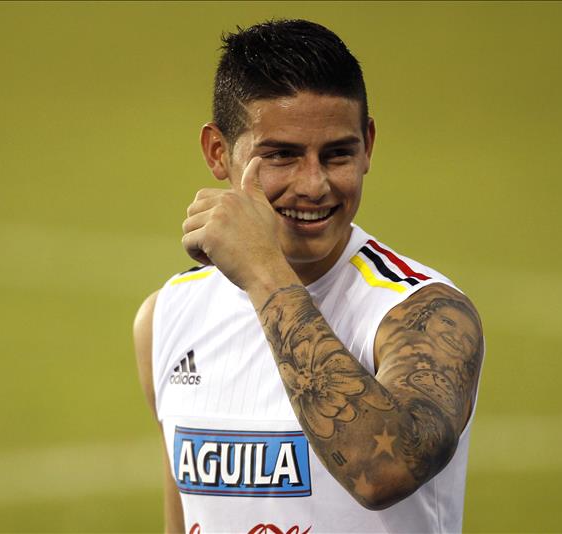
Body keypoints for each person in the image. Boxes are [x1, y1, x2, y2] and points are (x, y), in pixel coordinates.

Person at [134, 19, 484, 534]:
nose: (315, 184)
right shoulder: (167, 317)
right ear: (217, 152)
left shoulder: (423, 312)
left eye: (337, 153)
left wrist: (265, 273)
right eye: (281, 155)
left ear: (368, 146)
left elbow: (383, 472)